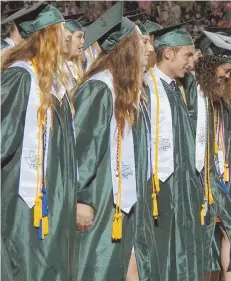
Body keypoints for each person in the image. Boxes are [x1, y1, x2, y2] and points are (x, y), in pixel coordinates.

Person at [72, 4, 160, 280]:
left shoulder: (126, 91)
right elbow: (81, 151)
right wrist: (81, 199)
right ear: (125, 49)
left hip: (126, 199)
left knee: (131, 265)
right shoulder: (98, 89)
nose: (148, 50)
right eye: (141, 43)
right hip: (101, 199)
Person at [1, 3, 78, 281]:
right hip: (21, 196)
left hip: (51, 194)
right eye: (61, 33)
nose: (67, 37)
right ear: (45, 37)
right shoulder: (20, 76)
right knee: (26, 263)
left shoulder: (51, 81)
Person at [145, 25, 206, 281]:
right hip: (157, 186)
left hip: (182, 182)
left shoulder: (178, 87)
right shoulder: (146, 87)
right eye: (187, 56)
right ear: (168, 53)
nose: (191, 63)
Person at [194, 31, 231, 281]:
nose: (230, 76)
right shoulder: (193, 93)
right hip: (202, 177)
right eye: (227, 69)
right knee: (209, 238)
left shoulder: (224, 96)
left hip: (221, 174)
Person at [64, 16, 85, 88]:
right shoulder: (57, 68)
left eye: (83, 37)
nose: (82, 42)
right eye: (79, 37)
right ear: (67, 38)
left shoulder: (75, 65)